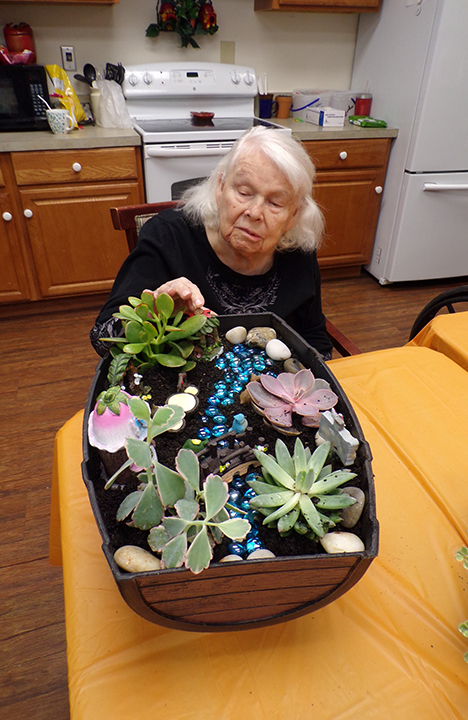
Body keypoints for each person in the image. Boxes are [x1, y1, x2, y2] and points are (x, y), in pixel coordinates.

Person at [90, 126, 333, 359]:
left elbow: (316, 338)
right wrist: (153, 311)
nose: (255, 212)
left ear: (293, 215)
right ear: (220, 187)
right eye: (245, 193)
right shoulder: (168, 237)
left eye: (275, 203)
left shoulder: (297, 249)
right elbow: (103, 338)